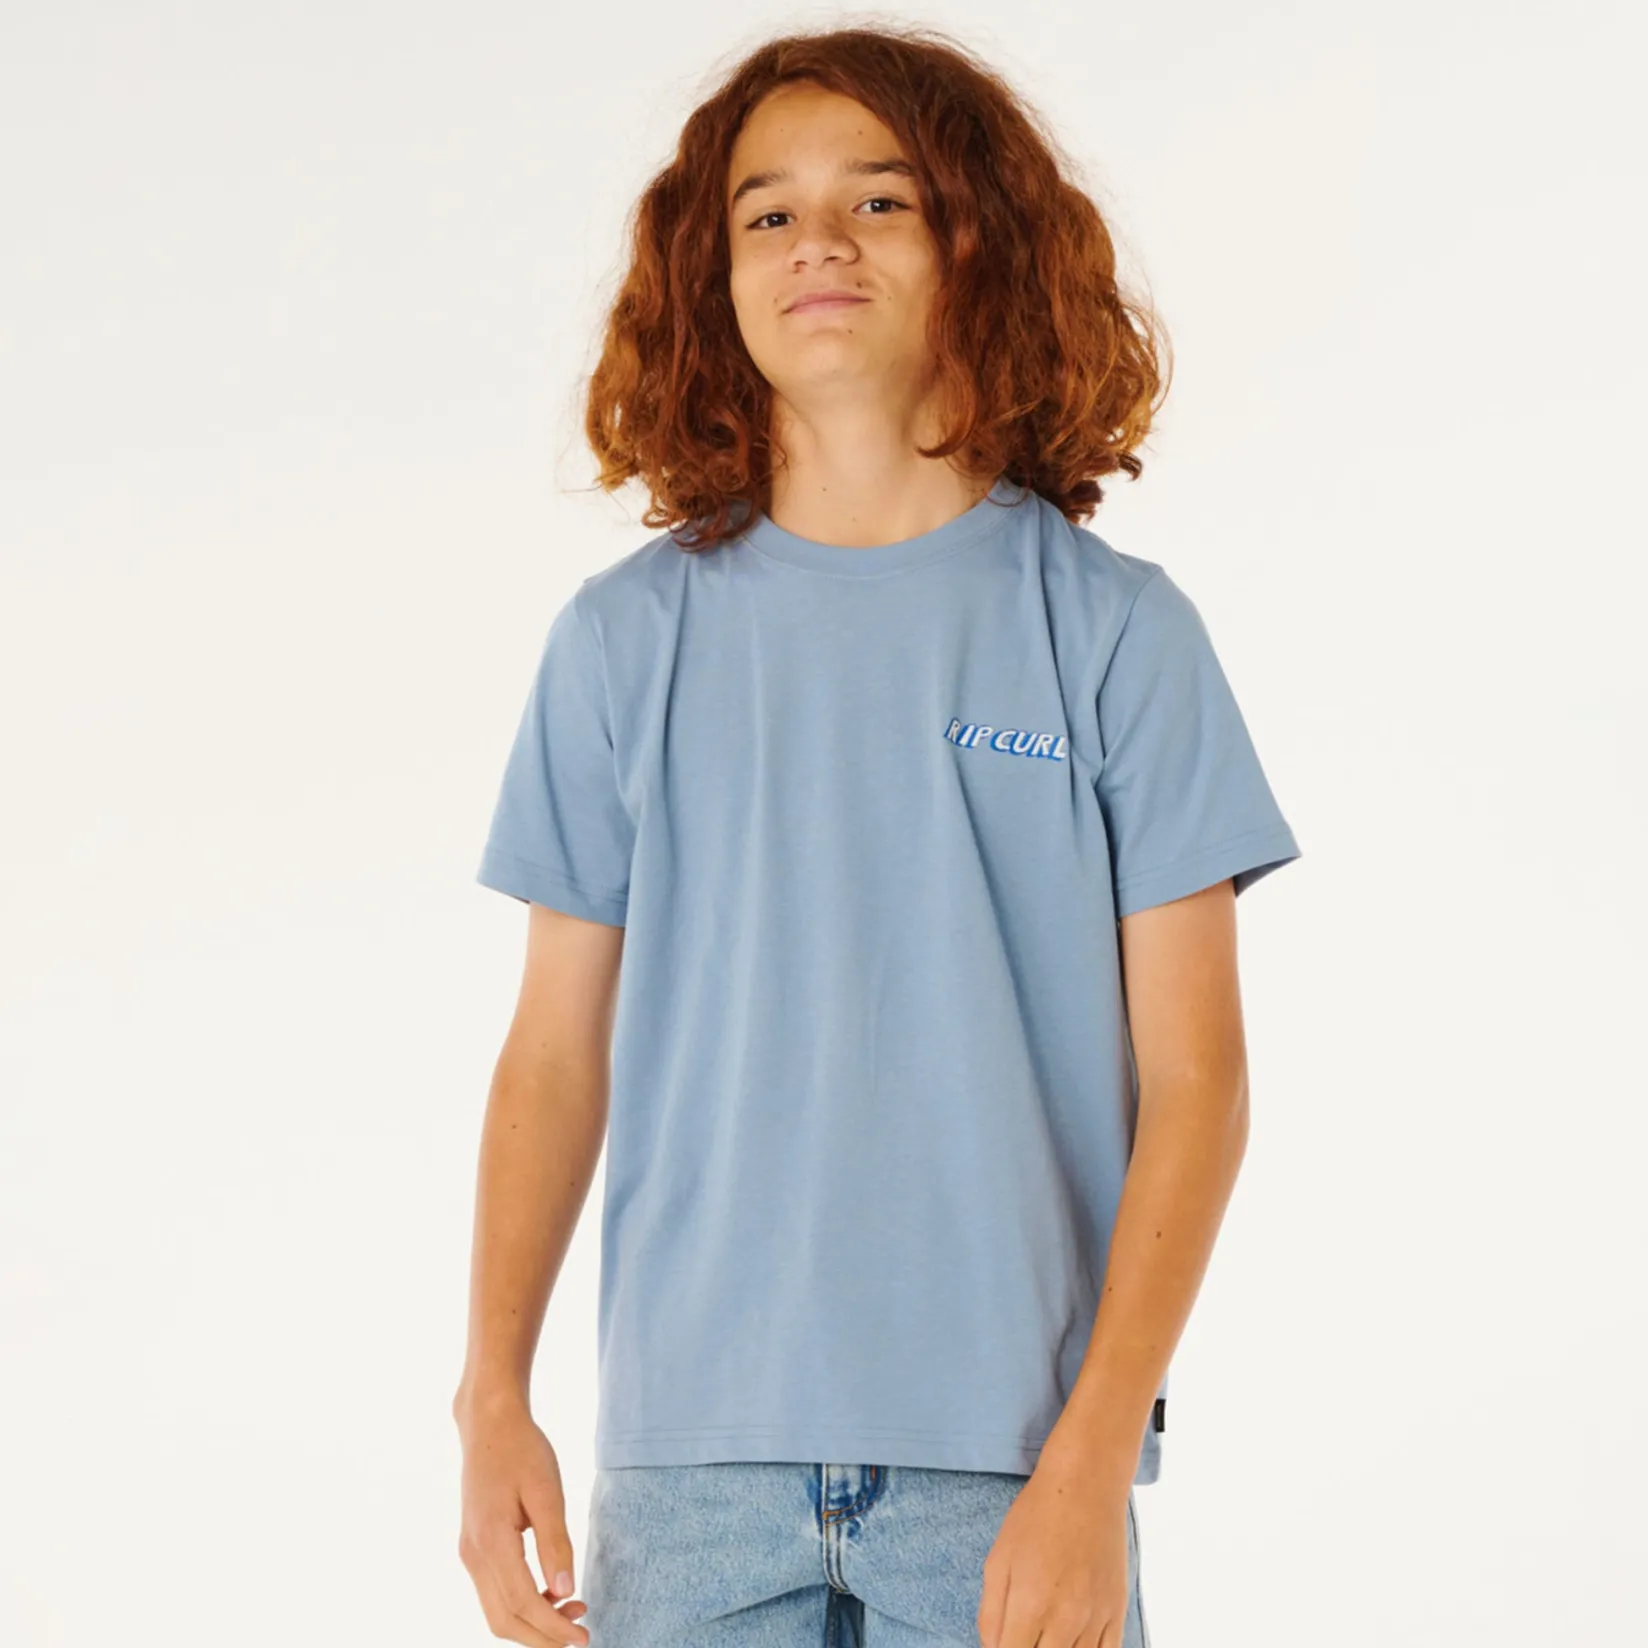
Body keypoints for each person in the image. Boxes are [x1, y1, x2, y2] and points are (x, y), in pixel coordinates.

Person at [454, 24, 1301, 1648]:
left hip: (1013, 1471)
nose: (819, 242)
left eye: (882, 201)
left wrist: (1093, 1458)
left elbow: (1201, 1084)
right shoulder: (622, 643)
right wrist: (492, 1394)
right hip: (689, 1477)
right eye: (767, 212)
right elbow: (551, 1058)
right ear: (710, 275)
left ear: (981, 245)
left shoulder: (1115, 634)